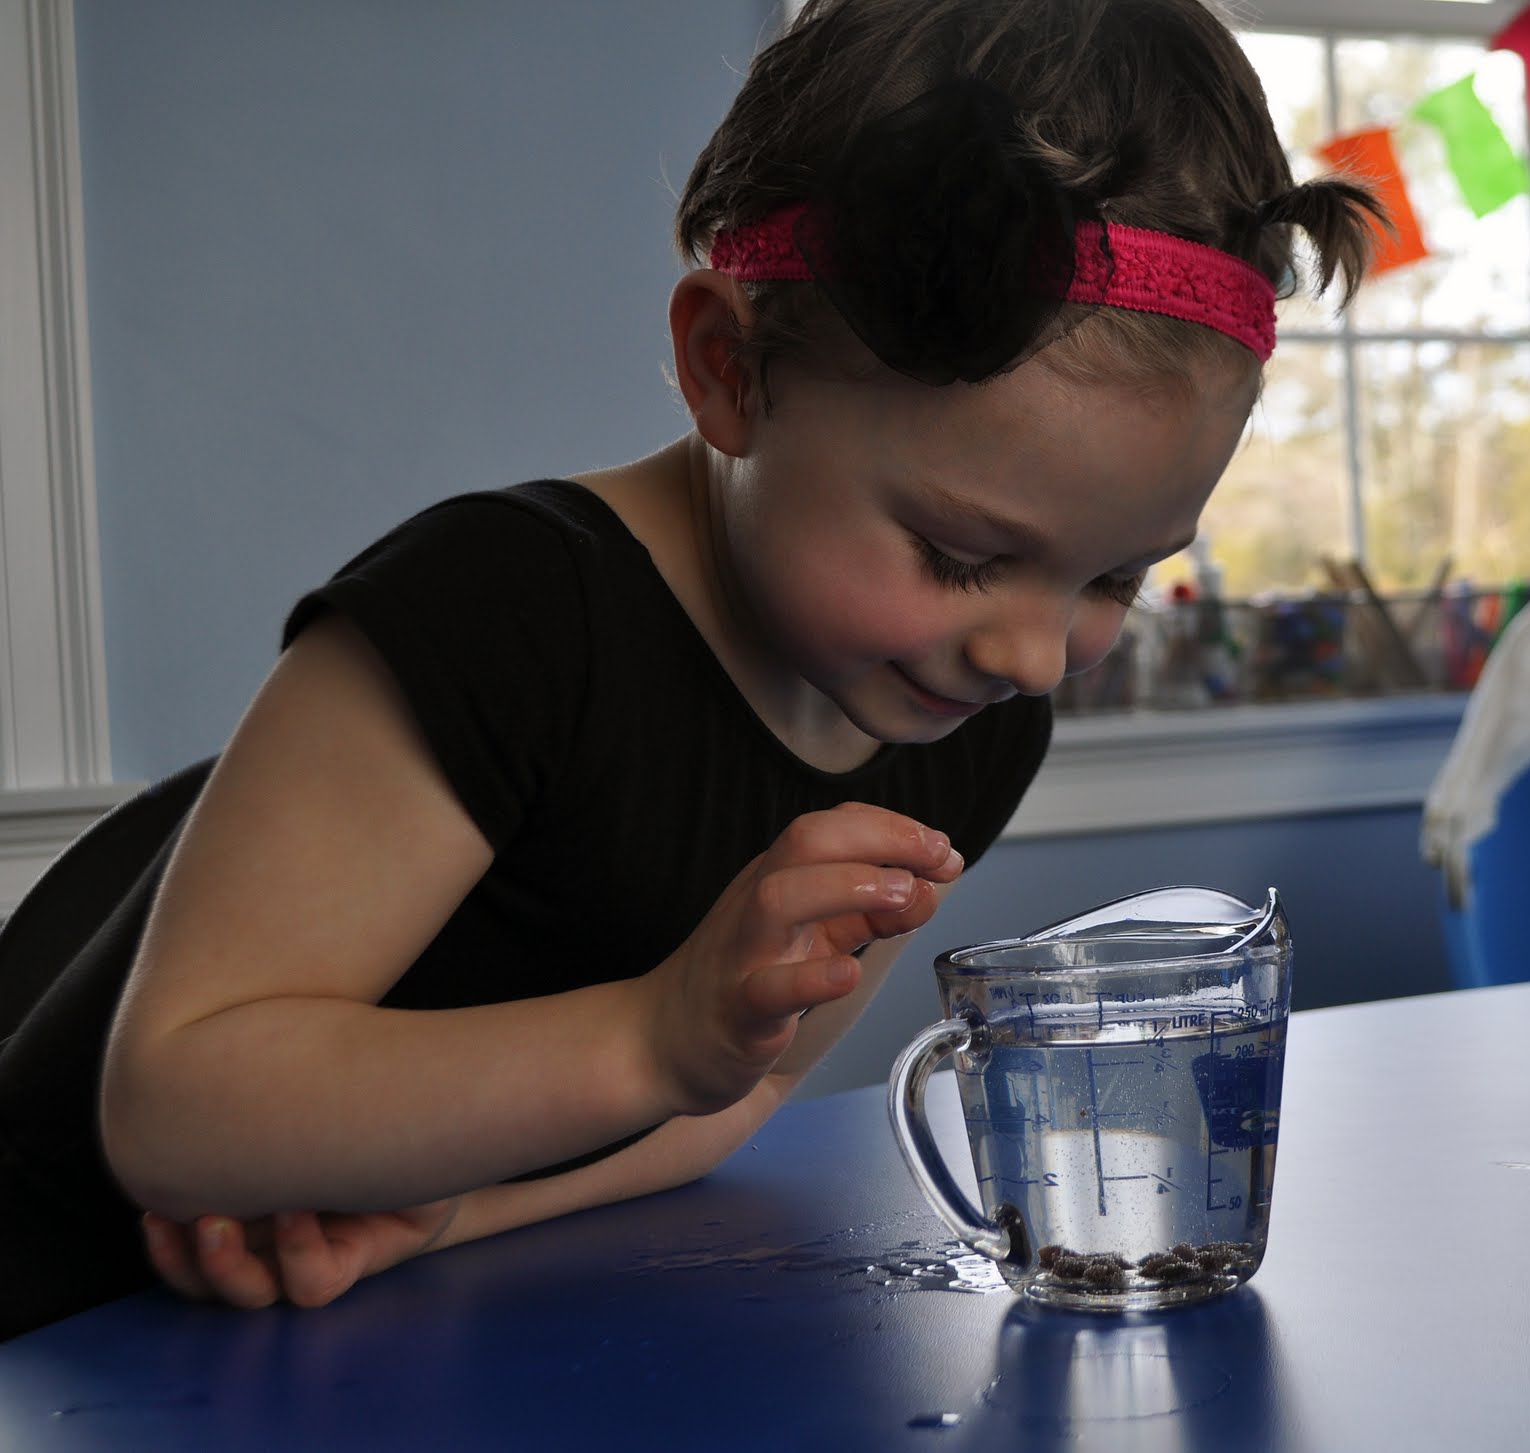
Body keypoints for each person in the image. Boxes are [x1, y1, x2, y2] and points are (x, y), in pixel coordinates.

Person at [0, 0, 1382, 1341]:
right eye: (960, 555)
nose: (1032, 656)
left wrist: (448, 1212)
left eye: (1116, 579)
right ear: (728, 368)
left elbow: (739, 1094)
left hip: (335, 1342)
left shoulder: (961, 723)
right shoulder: (498, 611)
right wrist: (650, 1037)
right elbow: (171, 1108)